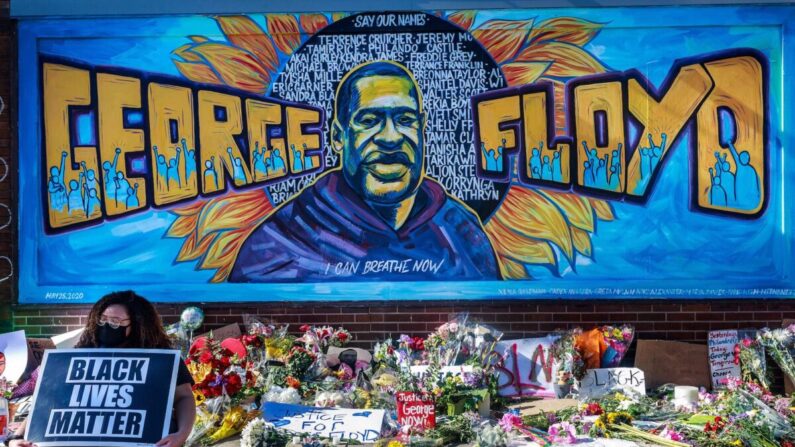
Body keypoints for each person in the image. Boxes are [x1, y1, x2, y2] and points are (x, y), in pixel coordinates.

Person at [229, 60, 500, 282]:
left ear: (422, 127)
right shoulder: (283, 238)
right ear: (338, 136)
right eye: (369, 120)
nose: (391, 138)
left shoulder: (459, 230)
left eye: (405, 120)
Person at [6, 291, 196, 447]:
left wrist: (181, 435)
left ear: (138, 325)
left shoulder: (160, 358)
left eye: (115, 322)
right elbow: (48, 400)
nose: (107, 326)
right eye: (102, 319)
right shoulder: (78, 357)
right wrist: (17, 438)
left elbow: (184, 397)